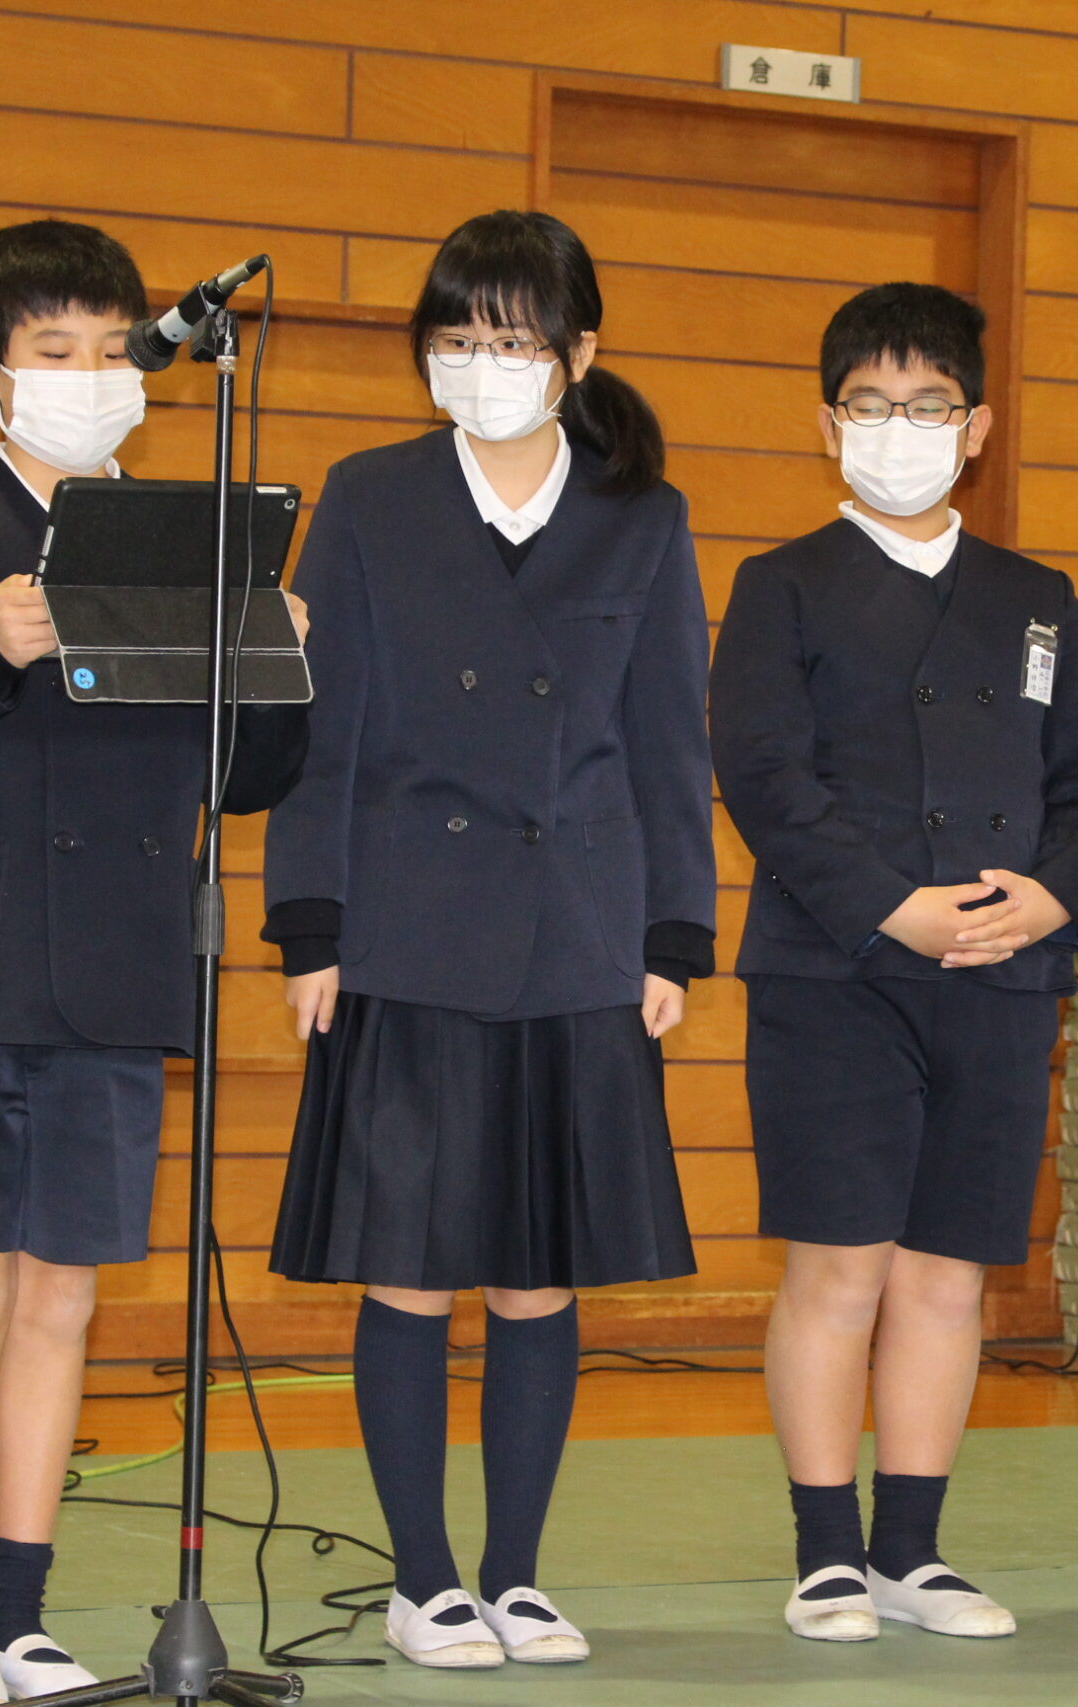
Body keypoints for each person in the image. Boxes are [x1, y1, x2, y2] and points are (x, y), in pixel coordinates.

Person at [0, 219, 311, 1707]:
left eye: (110, 350)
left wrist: (281, 662)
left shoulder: (185, 538)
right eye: (53, 351)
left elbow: (246, 779)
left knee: (62, 1303)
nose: (90, 376)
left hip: (114, 966)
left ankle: (26, 1615)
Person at [258, 209, 715, 1671]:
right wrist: (309, 925)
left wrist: (672, 935)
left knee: (538, 1271)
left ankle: (516, 1574)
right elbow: (320, 726)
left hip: (580, 930)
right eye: (455, 336)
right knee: (409, 1263)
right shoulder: (370, 496)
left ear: (579, 353)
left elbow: (669, 739)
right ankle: (425, 1578)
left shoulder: (645, 513)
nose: (482, 363)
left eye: (512, 339)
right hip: (407, 927)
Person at [710, 282, 1078, 1643]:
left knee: (950, 1275)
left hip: (1002, 975)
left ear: (977, 425)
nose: (902, 428)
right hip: (834, 973)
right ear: (829, 423)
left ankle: (912, 1548)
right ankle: (827, 1551)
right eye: (873, 405)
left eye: (930, 404)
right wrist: (893, 906)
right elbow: (765, 775)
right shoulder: (780, 584)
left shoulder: (1037, 598)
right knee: (839, 1268)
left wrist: (1047, 897)